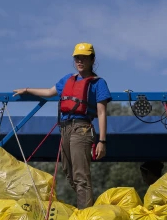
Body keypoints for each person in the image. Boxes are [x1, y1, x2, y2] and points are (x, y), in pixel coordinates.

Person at [13, 42, 111, 209]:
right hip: (65, 129)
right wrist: (27, 90)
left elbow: (102, 113)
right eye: (77, 58)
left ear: (92, 60)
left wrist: (102, 141)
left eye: (84, 58)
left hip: (82, 129)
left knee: (81, 175)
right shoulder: (67, 79)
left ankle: (84, 215)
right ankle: (86, 207)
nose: (80, 61)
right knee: (68, 172)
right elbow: (49, 92)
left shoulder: (98, 83)